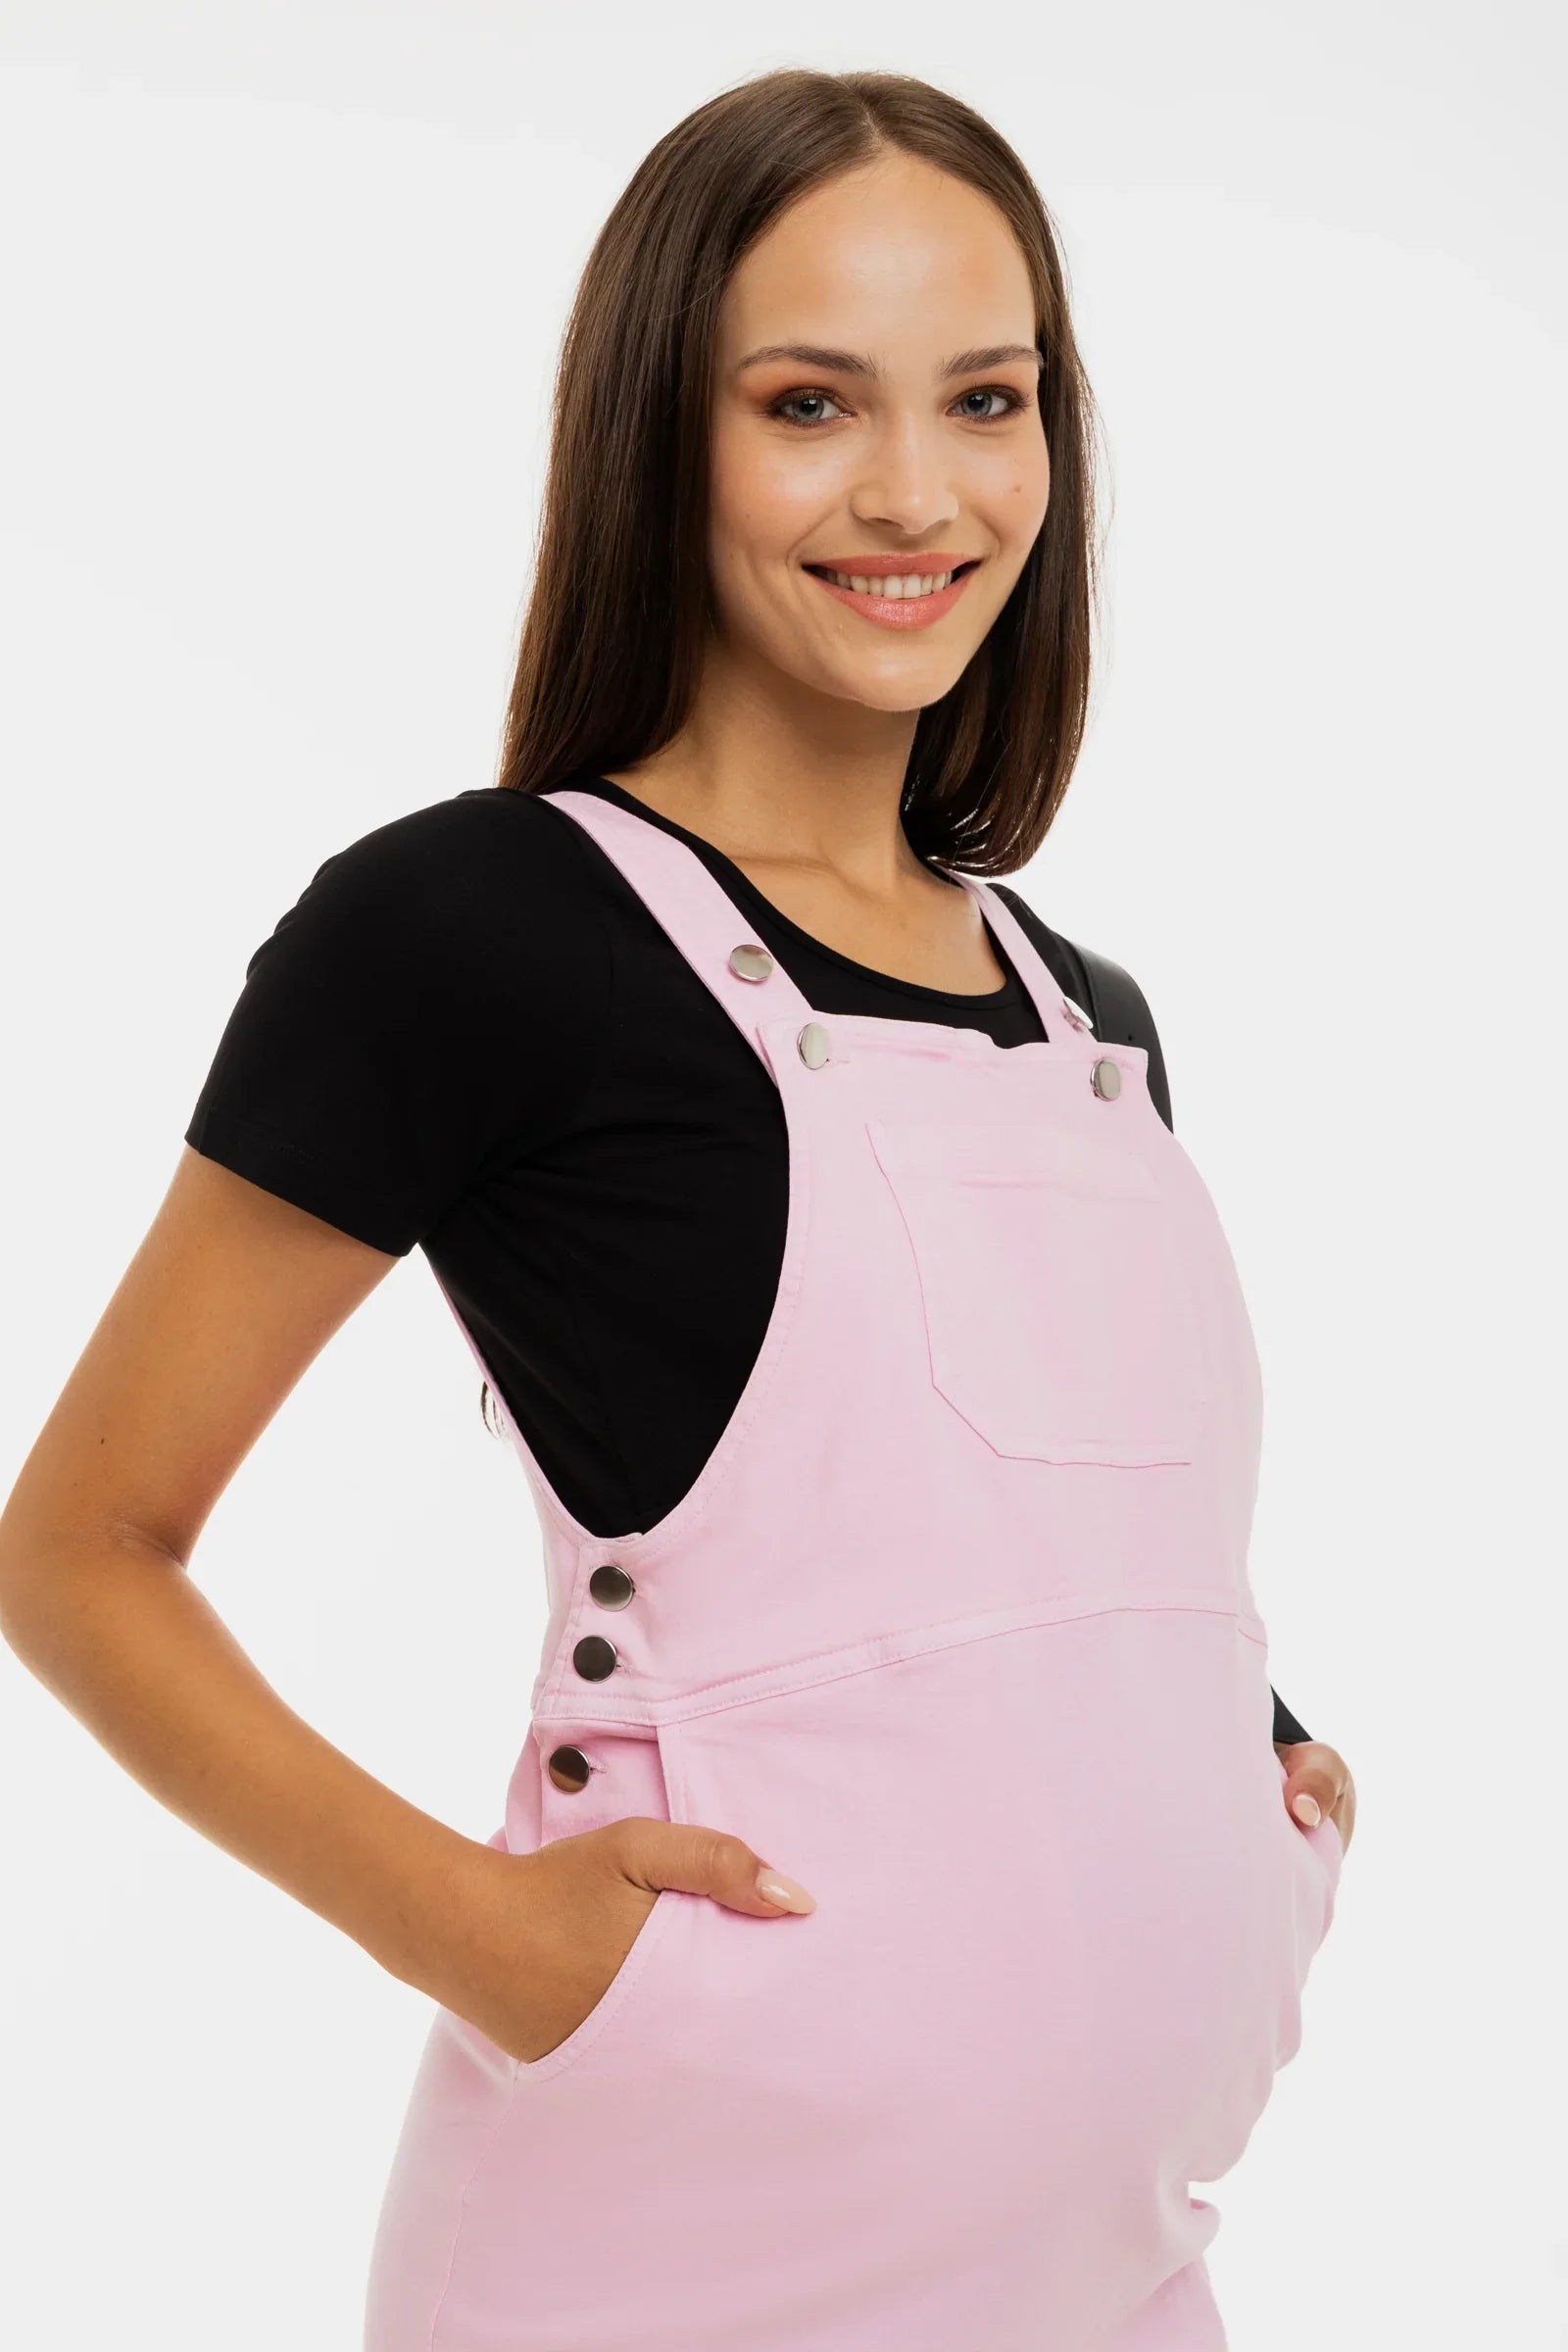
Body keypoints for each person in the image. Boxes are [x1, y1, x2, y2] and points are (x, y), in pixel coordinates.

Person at [0, 65, 1356, 2352]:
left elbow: (1025, 1553)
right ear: (661, 435)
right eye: (808, 404)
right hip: (675, 2262)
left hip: (1117, 2263)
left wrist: (1263, 1778)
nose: (913, 491)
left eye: (985, 397)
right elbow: (77, 1549)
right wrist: (484, 1939)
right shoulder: (472, 933)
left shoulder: (1088, 1018)